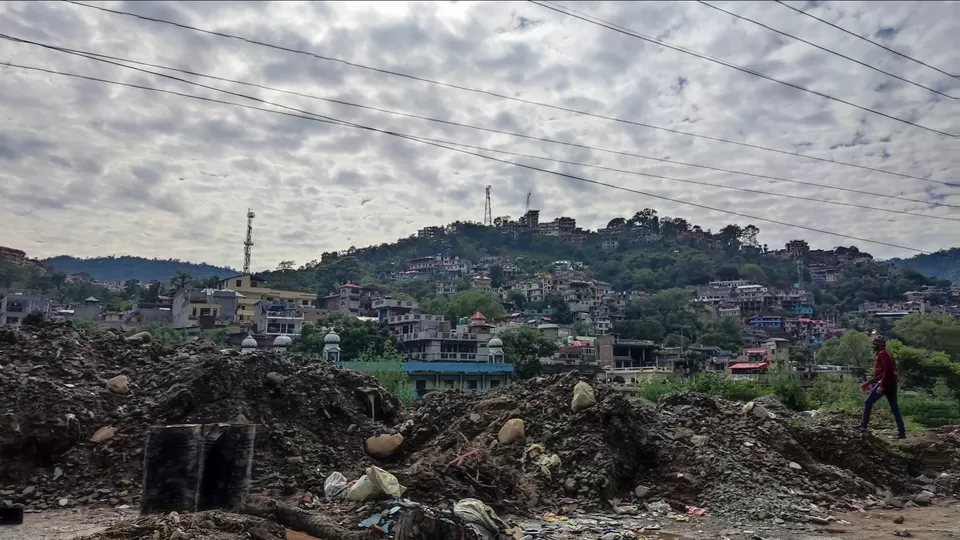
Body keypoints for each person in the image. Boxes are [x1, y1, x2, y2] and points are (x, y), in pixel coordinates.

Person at [860, 334, 907, 439]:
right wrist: (867, 383)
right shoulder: (886, 353)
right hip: (890, 382)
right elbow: (879, 374)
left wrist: (882, 385)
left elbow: (888, 372)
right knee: (894, 407)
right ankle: (902, 433)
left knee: (868, 402)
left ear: (879, 345)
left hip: (886, 383)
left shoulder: (883, 354)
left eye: (874, 344)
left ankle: (863, 427)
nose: (873, 346)